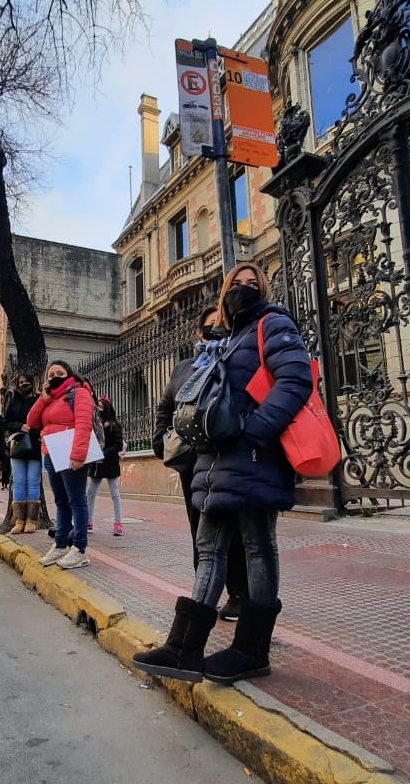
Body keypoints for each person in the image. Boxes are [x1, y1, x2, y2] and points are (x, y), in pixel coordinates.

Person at [133, 262, 312, 685]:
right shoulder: (222, 341)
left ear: (263, 290)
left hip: (255, 459)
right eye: (236, 283)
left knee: (258, 547)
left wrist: (256, 430)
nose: (243, 289)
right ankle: (184, 647)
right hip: (214, 463)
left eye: (252, 284)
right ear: (224, 290)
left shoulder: (273, 323)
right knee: (209, 550)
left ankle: (251, 651)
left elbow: (296, 379)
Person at [152, 305, 248, 621]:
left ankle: (239, 593)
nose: (214, 330)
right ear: (198, 333)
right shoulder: (183, 368)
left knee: (232, 526)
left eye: (220, 324)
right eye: (209, 326)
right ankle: (205, 593)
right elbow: (166, 406)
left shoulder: (235, 357)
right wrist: (160, 439)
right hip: (192, 460)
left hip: (227, 456)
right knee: (199, 528)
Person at [26, 360, 96, 570]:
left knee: (77, 500)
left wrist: (78, 455)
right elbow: (32, 421)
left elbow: (84, 424)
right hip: (51, 452)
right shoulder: (51, 398)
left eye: (60, 373)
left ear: (69, 374)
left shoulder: (79, 393)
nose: (55, 377)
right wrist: (43, 399)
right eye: (51, 374)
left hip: (70, 452)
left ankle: (80, 549)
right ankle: (60, 544)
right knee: (61, 501)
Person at [2, 374, 44, 534]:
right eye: (21, 382)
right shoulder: (14, 400)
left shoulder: (39, 400)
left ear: (33, 383)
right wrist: (20, 426)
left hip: (35, 445)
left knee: (33, 482)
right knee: (19, 482)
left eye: (27, 382)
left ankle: (32, 520)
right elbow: (5, 422)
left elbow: (45, 419)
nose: (24, 384)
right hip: (18, 445)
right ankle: (19, 520)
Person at [86, 396, 125, 536]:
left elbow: (118, 444)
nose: (99, 409)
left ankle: (118, 523)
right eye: (98, 407)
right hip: (96, 464)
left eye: (101, 407)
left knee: (115, 493)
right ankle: (88, 521)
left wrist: (104, 453)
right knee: (90, 493)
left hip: (110, 463)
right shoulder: (94, 425)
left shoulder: (114, 425)